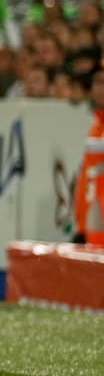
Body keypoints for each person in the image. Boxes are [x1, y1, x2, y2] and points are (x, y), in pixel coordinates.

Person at [72, 66, 104, 245]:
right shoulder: (97, 125)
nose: (101, 88)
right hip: (92, 230)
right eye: (98, 82)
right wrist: (82, 227)